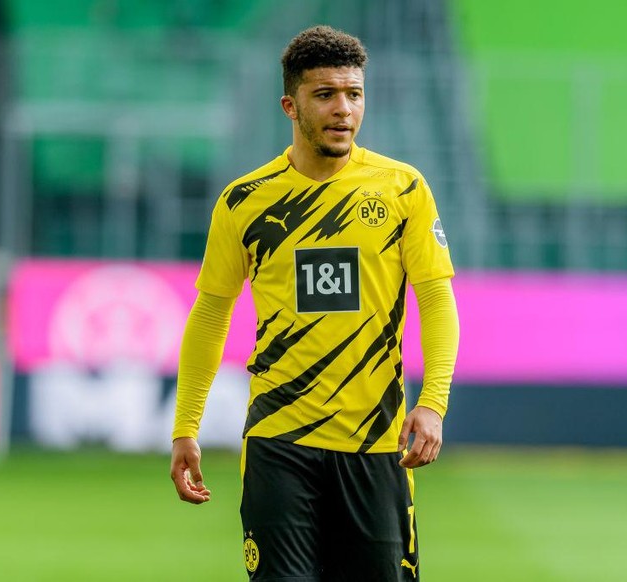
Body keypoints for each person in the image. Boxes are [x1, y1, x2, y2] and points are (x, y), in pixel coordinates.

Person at [169, 25, 460, 581]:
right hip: (280, 441)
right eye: (325, 94)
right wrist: (187, 427)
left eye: (354, 94)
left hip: (375, 444)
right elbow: (210, 314)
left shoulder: (401, 189)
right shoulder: (245, 201)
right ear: (290, 105)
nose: (343, 109)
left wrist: (435, 402)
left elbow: (437, 300)